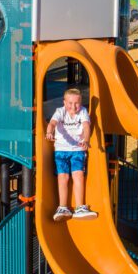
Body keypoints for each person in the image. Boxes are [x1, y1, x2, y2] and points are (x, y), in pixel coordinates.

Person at [46, 88, 98, 221]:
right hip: (61, 150)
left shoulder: (83, 112)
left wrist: (86, 140)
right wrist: (49, 132)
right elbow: (52, 123)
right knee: (63, 177)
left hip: (77, 150)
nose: (73, 106)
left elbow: (86, 126)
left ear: (81, 103)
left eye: (76, 103)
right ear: (64, 102)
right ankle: (63, 207)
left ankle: (80, 207)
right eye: (70, 103)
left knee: (78, 175)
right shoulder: (60, 112)